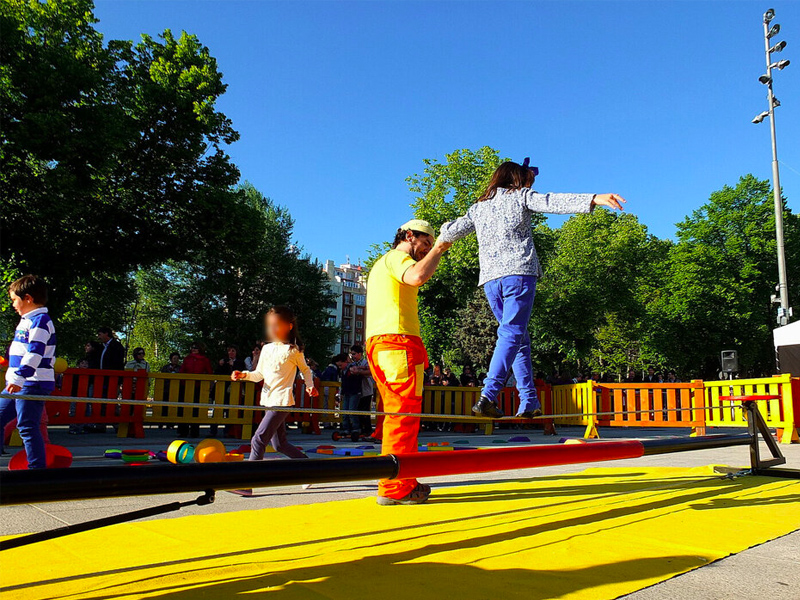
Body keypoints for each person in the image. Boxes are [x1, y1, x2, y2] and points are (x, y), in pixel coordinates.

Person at [440, 159, 625, 419]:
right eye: (527, 181)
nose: (530, 185)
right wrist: (594, 198)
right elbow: (552, 202)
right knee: (511, 334)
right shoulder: (520, 197)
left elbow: (450, 231)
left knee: (519, 338)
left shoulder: (478, 208)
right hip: (518, 275)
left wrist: (436, 233)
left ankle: (529, 401)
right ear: (517, 180)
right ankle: (488, 396)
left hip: (491, 282)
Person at [366, 219, 450, 505]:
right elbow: (415, 277)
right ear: (409, 236)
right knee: (404, 415)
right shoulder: (397, 258)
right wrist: (439, 249)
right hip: (398, 342)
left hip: (382, 343)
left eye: (430, 245)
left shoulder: (381, 263)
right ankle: (396, 487)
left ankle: (399, 480)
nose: (426, 250)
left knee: (396, 414)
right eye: (425, 243)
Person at [229, 306, 317, 496]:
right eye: (270, 325)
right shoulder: (266, 349)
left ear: (289, 326)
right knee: (280, 445)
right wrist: (243, 375)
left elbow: (306, 370)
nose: (272, 329)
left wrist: (309, 385)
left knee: (258, 439)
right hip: (268, 401)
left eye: (277, 325)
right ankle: (310, 471)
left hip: (282, 401)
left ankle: (247, 483)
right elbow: (258, 375)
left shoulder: (293, 350)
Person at [0, 275, 56, 469]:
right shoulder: (27, 320)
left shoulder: (40, 320)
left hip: (32, 381)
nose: (13, 304)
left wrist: (20, 376)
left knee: (27, 425)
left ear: (28, 299)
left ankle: (36, 469)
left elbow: (35, 353)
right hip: (18, 381)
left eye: (15, 300)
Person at [179, 342, 213, 437]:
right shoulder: (187, 359)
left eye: (196, 348)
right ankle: (183, 431)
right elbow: (182, 371)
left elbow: (209, 372)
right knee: (184, 408)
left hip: (199, 387)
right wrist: (182, 383)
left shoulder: (204, 360)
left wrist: (209, 384)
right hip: (186, 386)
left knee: (195, 409)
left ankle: (194, 432)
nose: (194, 349)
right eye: (192, 347)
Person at [349, 345, 374, 435]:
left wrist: (359, 372)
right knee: (357, 410)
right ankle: (359, 428)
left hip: (366, 390)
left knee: (365, 411)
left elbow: (370, 372)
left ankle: (367, 430)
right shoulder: (352, 364)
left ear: (360, 354)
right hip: (356, 391)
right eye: (351, 354)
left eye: (354, 354)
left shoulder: (365, 363)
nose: (353, 356)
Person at [339, 352, 364, 434]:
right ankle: (346, 428)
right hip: (347, 393)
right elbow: (343, 383)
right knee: (345, 412)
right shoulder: (343, 371)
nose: (340, 367)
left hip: (354, 392)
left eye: (340, 365)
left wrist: (355, 372)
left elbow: (359, 378)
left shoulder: (353, 368)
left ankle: (356, 428)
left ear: (345, 362)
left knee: (352, 411)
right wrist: (342, 393)